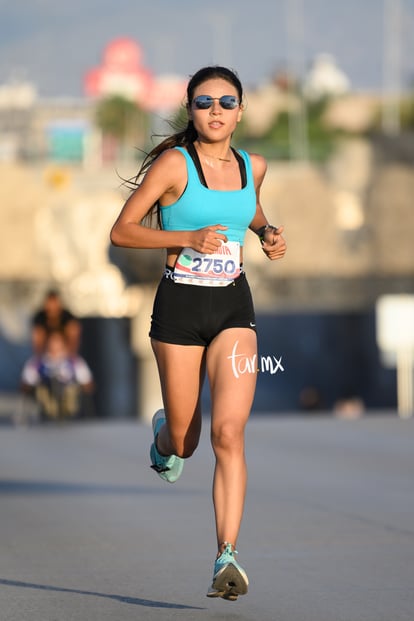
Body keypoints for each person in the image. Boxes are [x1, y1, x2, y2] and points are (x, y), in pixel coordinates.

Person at [110, 65, 287, 601]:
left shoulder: (252, 165)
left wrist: (266, 232)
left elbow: (246, 208)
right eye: (205, 101)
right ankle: (166, 435)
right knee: (187, 440)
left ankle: (226, 556)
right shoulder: (173, 164)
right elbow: (122, 230)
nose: (216, 111)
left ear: (241, 109)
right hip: (179, 310)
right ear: (191, 109)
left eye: (226, 101)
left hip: (234, 307)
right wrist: (187, 235)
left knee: (228, 433)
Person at [21, 330, 94, 420]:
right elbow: (27, 383)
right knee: (43, 391)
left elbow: (87, 383)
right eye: (52, 341)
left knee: (71, 391)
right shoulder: (37, 362)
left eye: (57, 341)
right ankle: (50, 410)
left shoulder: (74, 361)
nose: (54, 345)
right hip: (47, 398)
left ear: (63, 343)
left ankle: (66, 408)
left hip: (68, 396)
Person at [31, 289, 81, 356]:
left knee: (73, 329)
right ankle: (40, 357)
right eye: (50, 304)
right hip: (46, 351)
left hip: (64, 350)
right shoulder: (40, 317)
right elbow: (37, 338)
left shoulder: (67, 317)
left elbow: (74, 335)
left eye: (54, 303)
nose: (52, 307)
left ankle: (71, 356)